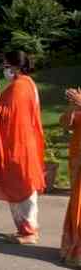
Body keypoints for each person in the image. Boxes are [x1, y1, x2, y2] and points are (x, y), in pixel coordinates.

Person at [0, 51, 45, 245]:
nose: (4, 69)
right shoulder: (26, 83)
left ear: (15, 66)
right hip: (21, 140)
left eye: (5, 65)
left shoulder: (20, 86)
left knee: (22, 184)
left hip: (19, 142)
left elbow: (9, 115)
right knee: (19, 182)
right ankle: (25, 229)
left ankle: (29, 231)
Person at [60, 86, 81, 265]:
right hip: (77, 157)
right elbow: (66, 126)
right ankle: (74, 248)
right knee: (77, 201)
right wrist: (72, 107)